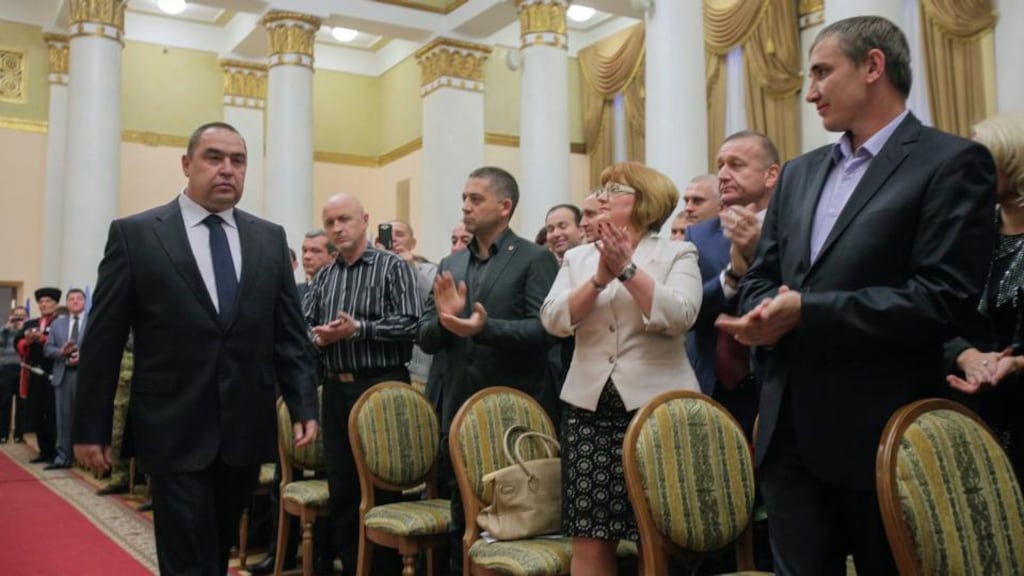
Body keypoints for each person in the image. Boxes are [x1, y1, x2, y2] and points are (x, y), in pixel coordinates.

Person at [716, 16, 996, 575]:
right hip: (789, 434)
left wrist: (806, 311)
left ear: (873, 66)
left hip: (883, 435)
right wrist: (763, 311)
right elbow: (760, 278)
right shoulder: (798, 173)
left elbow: (944, 299)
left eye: (822, 71)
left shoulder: (949, 162)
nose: (810, 90)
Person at [73, 121, 319, 576]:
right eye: (214, 157)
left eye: (238, 160)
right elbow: (104, 340)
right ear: (187, 164)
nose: (227, 169)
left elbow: (288, 333)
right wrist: (91, 427)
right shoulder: (137, 235)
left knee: (218, 545)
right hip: (172, 425)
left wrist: (304, 401)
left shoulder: (267, 239)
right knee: (187, 552)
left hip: (243, 425)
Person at [541, 161, 702, 575]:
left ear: (643, 201)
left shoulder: (677, 252)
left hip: (656, 413)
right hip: (589, 412)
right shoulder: (577, 258)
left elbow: (681, 314)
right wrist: (597, 279)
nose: (602, 195)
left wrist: (627, 270)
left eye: (615, 189)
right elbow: (554, 319)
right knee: (590, 533)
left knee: (658, 531)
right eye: (603, 188)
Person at [418, 166, 559, 576]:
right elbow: (426, 336)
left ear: (505, 206)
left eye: (475, 199)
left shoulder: (534, 258)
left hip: (516, 412)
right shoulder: (452, 261)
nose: (465, 206)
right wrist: (445, 320)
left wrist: (485, 328)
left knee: (517, 527)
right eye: (464, 198)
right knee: (461, 517)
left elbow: (545, 330)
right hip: (460, 410)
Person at [304, 193, 420, 576]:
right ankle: (355, 567)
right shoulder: (324, 276)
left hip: (381, 388)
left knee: (383, 486)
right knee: (342, 489)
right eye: (330, 221)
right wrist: (319, 338)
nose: (337, 228)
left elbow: (411, 324)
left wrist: (358, 329)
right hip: (336, 389)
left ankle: (384, 571)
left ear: (365, 220)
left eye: (344, 219)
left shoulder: (391, 267)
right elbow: (303, 330)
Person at [944, 113, 1024, 481]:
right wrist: (965, 354)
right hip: (973, 414)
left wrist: (1017, 365)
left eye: (982, 163)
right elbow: (936, 313)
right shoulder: (968, 232)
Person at [686, 131, 779, 436]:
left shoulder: (794, 228)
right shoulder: (699, 236)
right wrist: (731, 277)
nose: (723, 175)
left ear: (771, 175)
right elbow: (691, 310)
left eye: (736, 165)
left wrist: (758, 253)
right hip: (715, 386)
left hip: (776, 381)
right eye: (720, 165)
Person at [43, 288, 88, 470]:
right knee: (63, 418)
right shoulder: (57, 324)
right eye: (71, 299)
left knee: (84, 417)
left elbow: (100, 346)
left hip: (85, 376)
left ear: (85, 302)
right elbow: (47, 349)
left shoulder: (93, 321)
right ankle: (63, 457)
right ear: (67, 303)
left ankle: (85, 459)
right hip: (63, 374)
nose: (75, 301)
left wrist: (82, 356)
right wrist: (62, 352)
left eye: (79, 298)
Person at [16, 287, 61, 464]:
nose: (44, 305)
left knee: (53, 413)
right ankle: (44, 451)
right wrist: (27, 341)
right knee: (37, 413)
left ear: (56, 304)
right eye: (41, 302)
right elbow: (17, 342)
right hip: (35, 375)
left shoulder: (61, 322)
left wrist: (44, 340)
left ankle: (58, 453)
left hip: (54, 373)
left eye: (48, 301)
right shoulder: (30, 324)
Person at [0, 307, 28, 443]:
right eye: (16, 316)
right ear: (11, 316)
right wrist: (7, 328)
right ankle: (3, 433)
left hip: (23, 368)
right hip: (6, 369)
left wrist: (23, 329)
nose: (18, 319)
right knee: (4, 402)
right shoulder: (4, 330)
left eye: (22, 316)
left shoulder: (28, 331)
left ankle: (19, 434)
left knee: (22, 403)